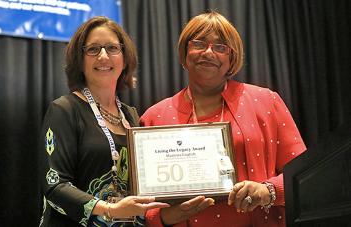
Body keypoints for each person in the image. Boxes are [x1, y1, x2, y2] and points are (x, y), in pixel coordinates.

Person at [140, 11, 306, 226]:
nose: (208, 52)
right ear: (184, 53)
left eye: (220, 47)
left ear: (232, 59)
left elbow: (303, 175)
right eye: (199, 43)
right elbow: (143, 210)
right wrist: (168, 216)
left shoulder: (266, 101)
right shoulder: (154, 116)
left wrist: (267, 191)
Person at [39, 16, 169, 227]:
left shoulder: (131, 117)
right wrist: (109, 209)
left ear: (125, 58)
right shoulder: (64, 110)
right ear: (80, 60)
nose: (103, 56)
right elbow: (54, 185)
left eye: (112, 48)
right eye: (93, 49)